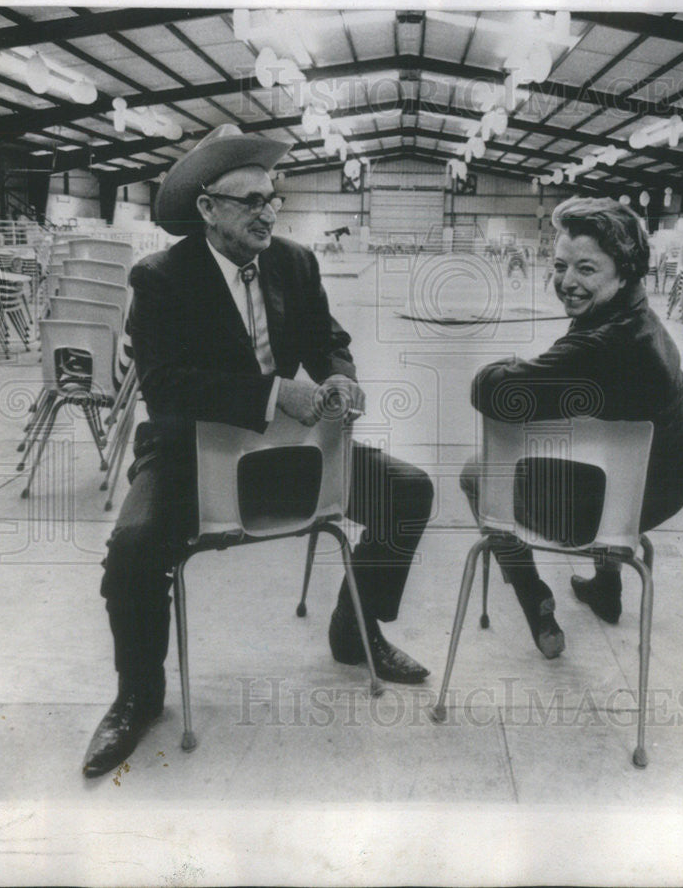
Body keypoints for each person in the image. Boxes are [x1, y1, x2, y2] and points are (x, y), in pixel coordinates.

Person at [83, 125, 434, 779]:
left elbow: (328, 336)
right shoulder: (159, 279)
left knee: (408, 491)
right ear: (207, 208)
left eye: (273, 197)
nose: (267, 211)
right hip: (189, 453)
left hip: (282, 449)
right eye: (249, 200)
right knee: (132, 551)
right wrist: (273, 393)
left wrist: (338, 372)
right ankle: (137, 696)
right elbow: (165, 389)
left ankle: (354, 632)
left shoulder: (293, 263)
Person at [462, 196, 683, 657]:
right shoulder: (644, 324)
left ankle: (534, 600)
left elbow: (490, 391)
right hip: (659, 493)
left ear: (624, 269)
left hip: (591, 512)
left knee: (476, 472)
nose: (567, 282)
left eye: (586, 269)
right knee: (597, 454)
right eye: (560, 266)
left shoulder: (597, 347)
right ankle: (606, 588)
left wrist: (509, 366)